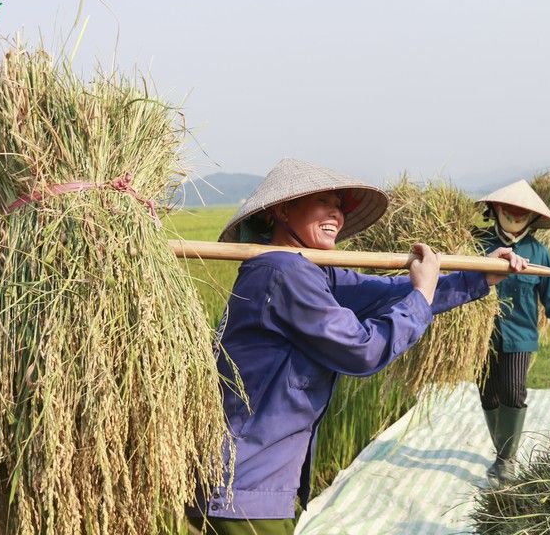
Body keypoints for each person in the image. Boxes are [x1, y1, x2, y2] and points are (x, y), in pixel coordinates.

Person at [186, 158, 527, 535]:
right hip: (247, 485)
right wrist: (422, 295)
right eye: (323, 202)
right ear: (282, 210)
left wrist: (477, 278)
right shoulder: (284, 273)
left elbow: (387, 293)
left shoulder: (309, 271)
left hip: (248, 484)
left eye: (339, 205)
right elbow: (362, 350)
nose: (337, 213)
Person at [475, 179, 550, 488]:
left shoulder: (539, 253)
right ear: (494, 209)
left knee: (513, 391)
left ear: (533, 217)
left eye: (522, 211)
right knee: (489, 395)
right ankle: (502, 451)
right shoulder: (477, 245)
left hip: (520, 336)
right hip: (480, 338)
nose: (515, 214)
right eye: (508, 209)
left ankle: (506, 460)